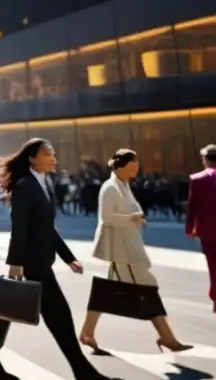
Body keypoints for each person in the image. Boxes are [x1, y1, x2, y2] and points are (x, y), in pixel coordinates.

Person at [0, 138, 115, 380]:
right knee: (60, 316)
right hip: (32, 263)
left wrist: (67, 256)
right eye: (48, 154)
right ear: (32, 158)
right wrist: (15, 263)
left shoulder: (45, 183)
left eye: (53, 154)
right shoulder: (23, 186)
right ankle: (83, 371)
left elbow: (46, 227)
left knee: (11, 307)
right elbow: (19, 229)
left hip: (42, 261)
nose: (54, 158)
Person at [79, 149, 191, 353]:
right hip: (120, 248)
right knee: (146, 285)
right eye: (134, 163)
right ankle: (166, 337)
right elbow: (106, 218)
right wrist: (132, 218)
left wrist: (135, 218)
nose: (137, 167)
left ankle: (87, 332)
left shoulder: (123, 185)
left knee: (108, 291)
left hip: (126, 246)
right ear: (121, 165)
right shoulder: (110, 187)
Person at [186, 144, 216, 313]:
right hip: (208, 231)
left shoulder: (197, 179)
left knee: (214, 266)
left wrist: (190, 228)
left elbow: (192, 206)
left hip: (208, 232)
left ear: (205, 160)